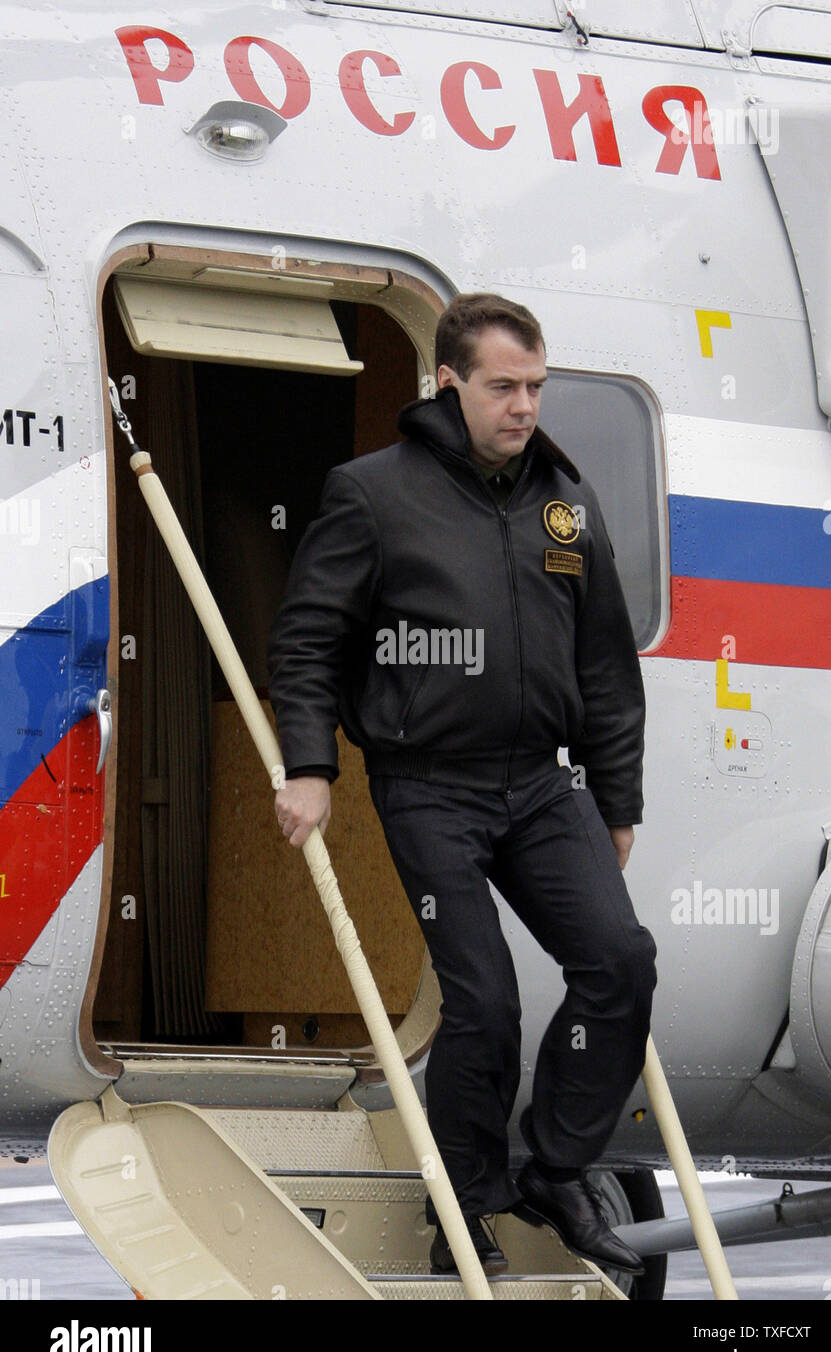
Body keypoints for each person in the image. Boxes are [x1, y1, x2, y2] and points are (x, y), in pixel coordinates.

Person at [267, 292, 657, 1278]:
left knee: (620, 962)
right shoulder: (373, 493)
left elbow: (607, 664)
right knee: (485, 1000)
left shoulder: (564, 501)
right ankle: (464, 1205)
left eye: (535, 386)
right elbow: (308, 642)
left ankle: (559, 1168)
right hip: (429, 785)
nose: (525, 406)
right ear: (450, 383)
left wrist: (618, 801)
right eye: (503, 387)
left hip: (541, 785)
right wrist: (310, 765)